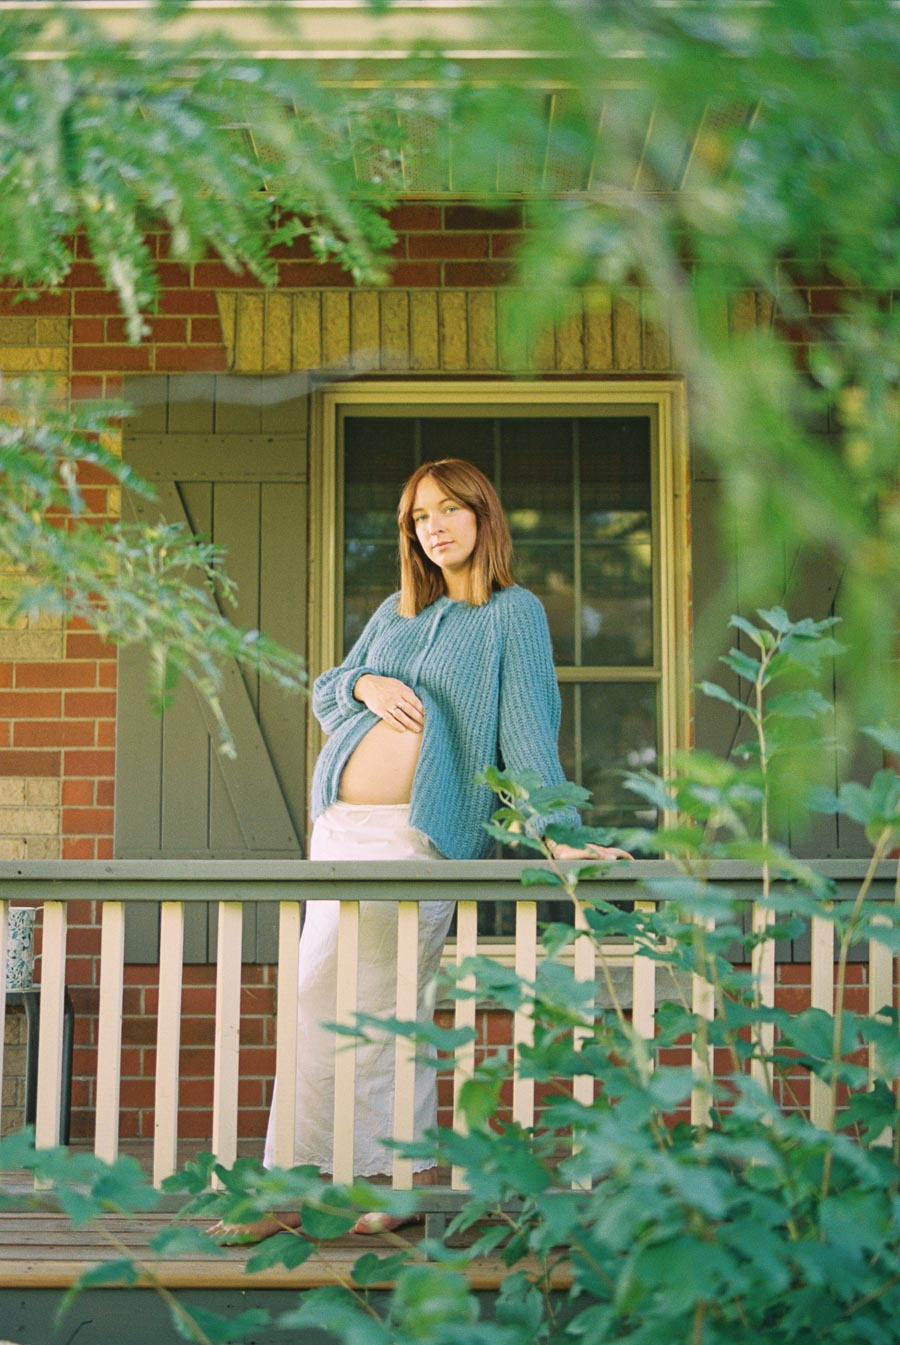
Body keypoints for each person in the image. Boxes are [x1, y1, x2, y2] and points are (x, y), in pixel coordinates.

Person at [211, 458, 630, 1243]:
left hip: (417, 833)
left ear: (482, 515)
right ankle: (292, 1186)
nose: (432, 527)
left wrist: (562, 839)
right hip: (338, 830)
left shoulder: (514, 615)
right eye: (417, 518)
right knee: (313, 1006)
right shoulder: (397, 612)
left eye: (447, 510)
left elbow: (529, 739)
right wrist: (365, 686)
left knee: (390, 1008)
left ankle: (403, 1182)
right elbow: (329, 687)